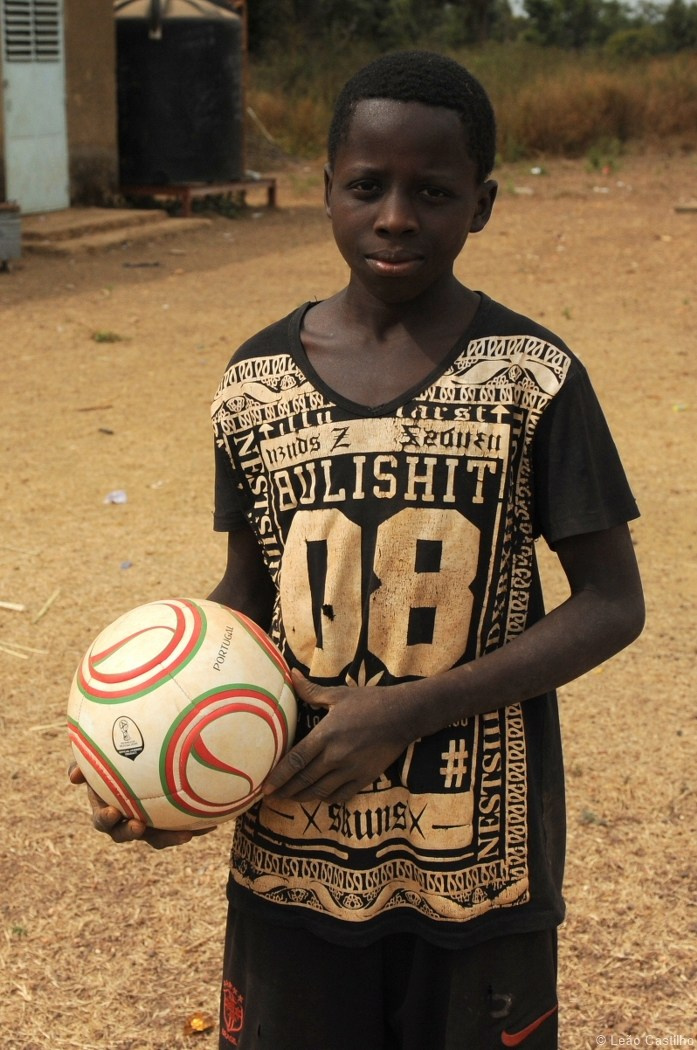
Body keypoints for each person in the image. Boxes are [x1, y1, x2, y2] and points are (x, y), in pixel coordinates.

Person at [72, 50, 645, 1050]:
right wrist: (159, 754)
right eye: (365, 186)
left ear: (484, 204)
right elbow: (247, 594)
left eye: (432, 191)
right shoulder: (253, 385)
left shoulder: (532, 379)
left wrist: (413, 708)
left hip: (477, 872)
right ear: (324, 192)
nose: (394, 216)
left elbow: (609, 603)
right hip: (292, 852)